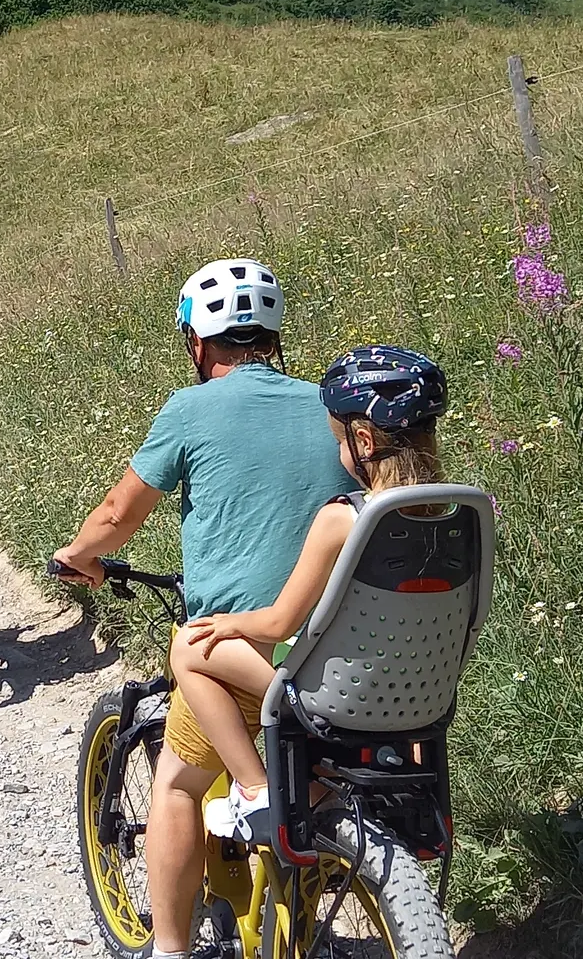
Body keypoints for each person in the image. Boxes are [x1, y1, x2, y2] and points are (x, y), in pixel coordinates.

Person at [50, 258, 354, 959]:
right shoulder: (331, 408)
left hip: (241, 657)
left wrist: (79, 557)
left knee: (178, 788)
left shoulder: (188, 409)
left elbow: (118, 512)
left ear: (197, 343)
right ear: (272, 334)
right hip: (334, 655)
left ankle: (171, 950)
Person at [172, 345, 447, 843]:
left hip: (341, 697)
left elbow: (279, 623)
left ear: (363, 440)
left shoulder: (345, 518)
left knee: (190, 645)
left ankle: (256, 791)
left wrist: (233, 622)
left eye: (338, 441)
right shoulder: (457, 515)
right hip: (426, 696)